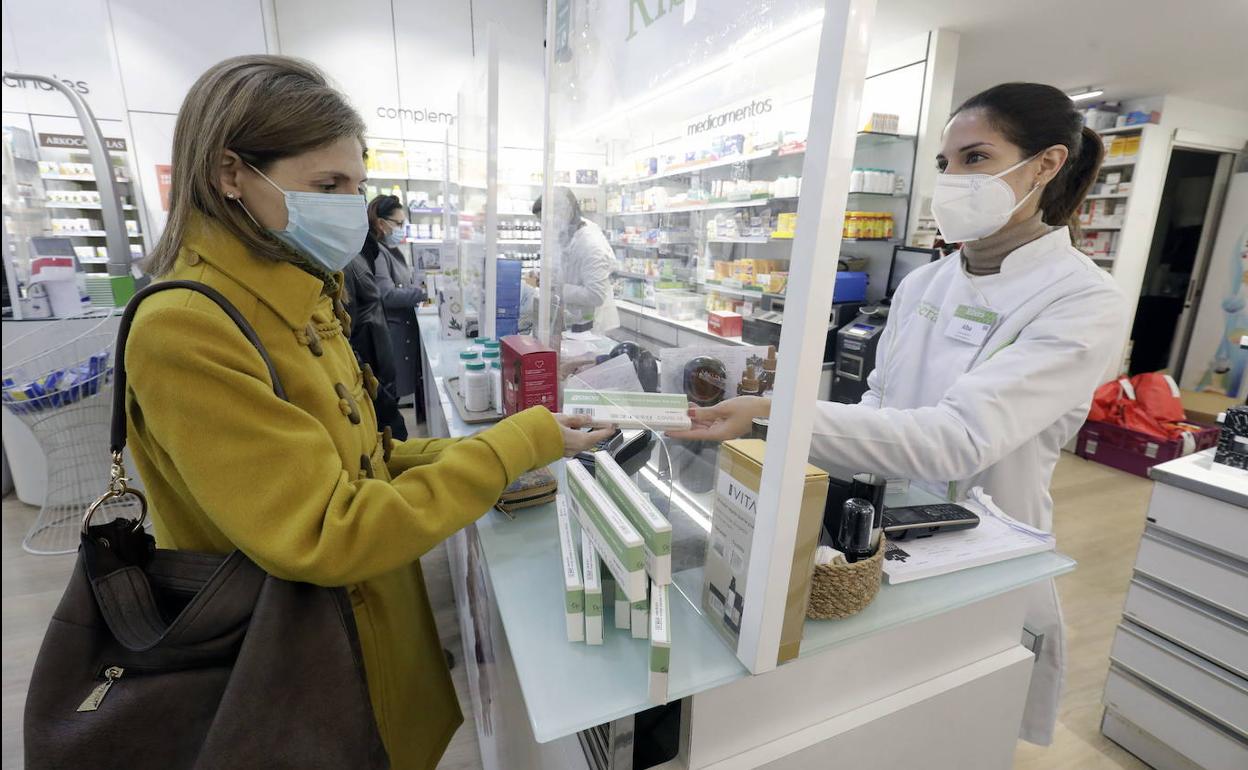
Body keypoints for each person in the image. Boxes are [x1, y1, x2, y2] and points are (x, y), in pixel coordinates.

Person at [134, 55, 613, 769]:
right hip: (298, 667)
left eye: (355, 185)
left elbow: (371, 459)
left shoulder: (295, 291)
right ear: (230, 172)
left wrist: (528, 436)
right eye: (327, 186)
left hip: (362, 634)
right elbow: (331, 530)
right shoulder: (188, 328)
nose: (351, 209)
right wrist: (509, 449)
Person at [669, 82, 1128, 746]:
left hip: (987, 549)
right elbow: (879, 405)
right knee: (867, 721)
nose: (951, 180)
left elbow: (958, 440)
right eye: (944, 164)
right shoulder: (924, 283)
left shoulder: (1083, 300)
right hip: (878, 538)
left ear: (1046, 164)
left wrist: (776, 414)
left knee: (958, 723)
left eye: (975, 158)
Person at [362, 195, 427, 422]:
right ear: (381, 223)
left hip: (399, 331)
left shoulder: (389, 250)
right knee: (389, 402)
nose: (402, 229)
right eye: (398, 224)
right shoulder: (379, 253)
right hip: (391, 334)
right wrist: (423, 293)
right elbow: (386, 294)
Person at [532, 186, 619, 332]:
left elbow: (596, 295)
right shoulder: (567, 234)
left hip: (591, 326)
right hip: (574, 322)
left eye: (546, 221)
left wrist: (558, 289)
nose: (545, 226)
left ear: (565, 212)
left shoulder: (591, 244)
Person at [342, 246, 407, 440]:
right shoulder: (346, 260)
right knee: (390, 435)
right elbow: (347, 329)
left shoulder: (361, 253)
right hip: (367, 372)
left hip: (376, 368)